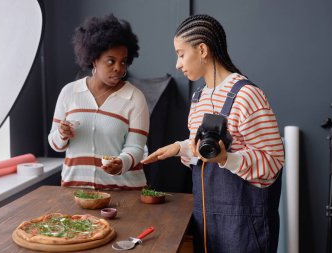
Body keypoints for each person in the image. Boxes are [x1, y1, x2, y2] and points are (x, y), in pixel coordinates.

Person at [141, 14, 285, 252]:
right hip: (207, 223)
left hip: (245, 227)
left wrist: (226, 159)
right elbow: (203, 151)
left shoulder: (247, 96)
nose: (177, 64)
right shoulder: (200, 97)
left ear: (202, 49)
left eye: (180, 53)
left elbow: (273, 162)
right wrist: (180, 148)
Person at [48, 14, 149, 190]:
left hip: (123, 192)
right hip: (76, 192)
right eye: (111, 61)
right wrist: (62, 133)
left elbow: (136, 148)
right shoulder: (69, 92)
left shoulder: (134, 98)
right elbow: (56, 144)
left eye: (123, 62)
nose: (119, 68)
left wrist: (121, 162)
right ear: (94, 58)